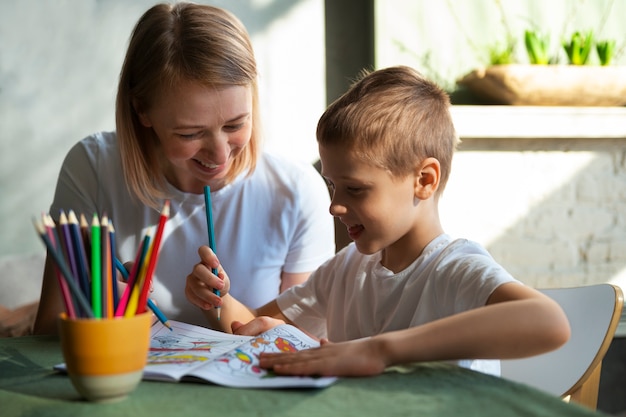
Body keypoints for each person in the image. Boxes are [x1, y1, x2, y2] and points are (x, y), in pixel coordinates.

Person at [184, 65, 570, 377]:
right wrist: (217, 299)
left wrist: (378, 351)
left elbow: (549, 322)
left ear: (424, 181)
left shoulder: (454, 270)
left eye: (355, 189)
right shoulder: (345, 270)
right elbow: (253, 323)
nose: (335, 206)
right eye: (333, 185)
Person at [33, 2, 335, 334]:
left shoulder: (296, 189)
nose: (219, 153)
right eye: (190, 133)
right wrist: (101, 315)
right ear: (141, 111)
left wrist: (221, 308)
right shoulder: (93, 168)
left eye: (236, 124)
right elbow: (47, 330)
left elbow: (305, 342)